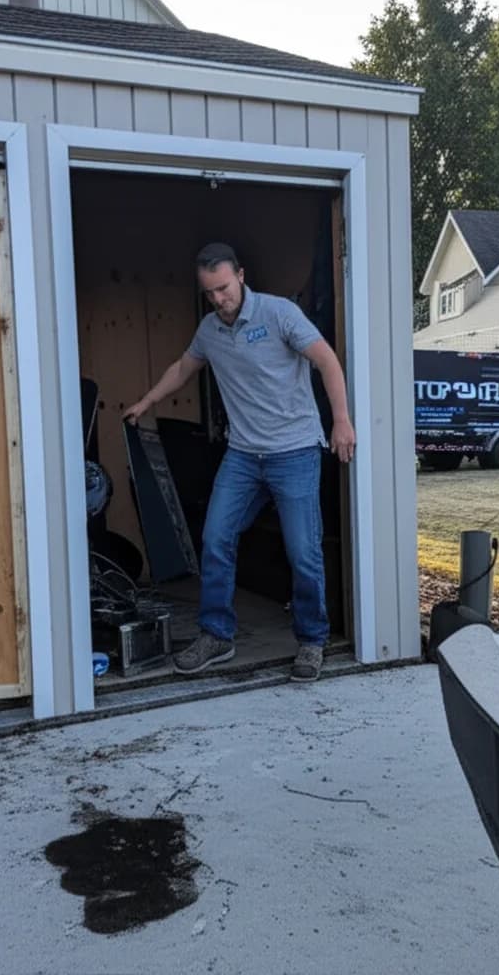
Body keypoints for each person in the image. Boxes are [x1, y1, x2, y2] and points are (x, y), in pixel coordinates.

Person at [123, 243, 356, 682]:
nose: (218, 299)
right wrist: (146, 401)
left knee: (303, 552)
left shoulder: (279, 314)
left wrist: (341, 421)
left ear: (241, 276)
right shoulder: (210, 330)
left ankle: (311, 639)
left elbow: (326, 359)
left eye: (224, 288)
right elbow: (182, 367)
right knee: (215, 538)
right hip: (244, 456)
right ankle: (217, 634)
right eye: (209, 292)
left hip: (295, 451)